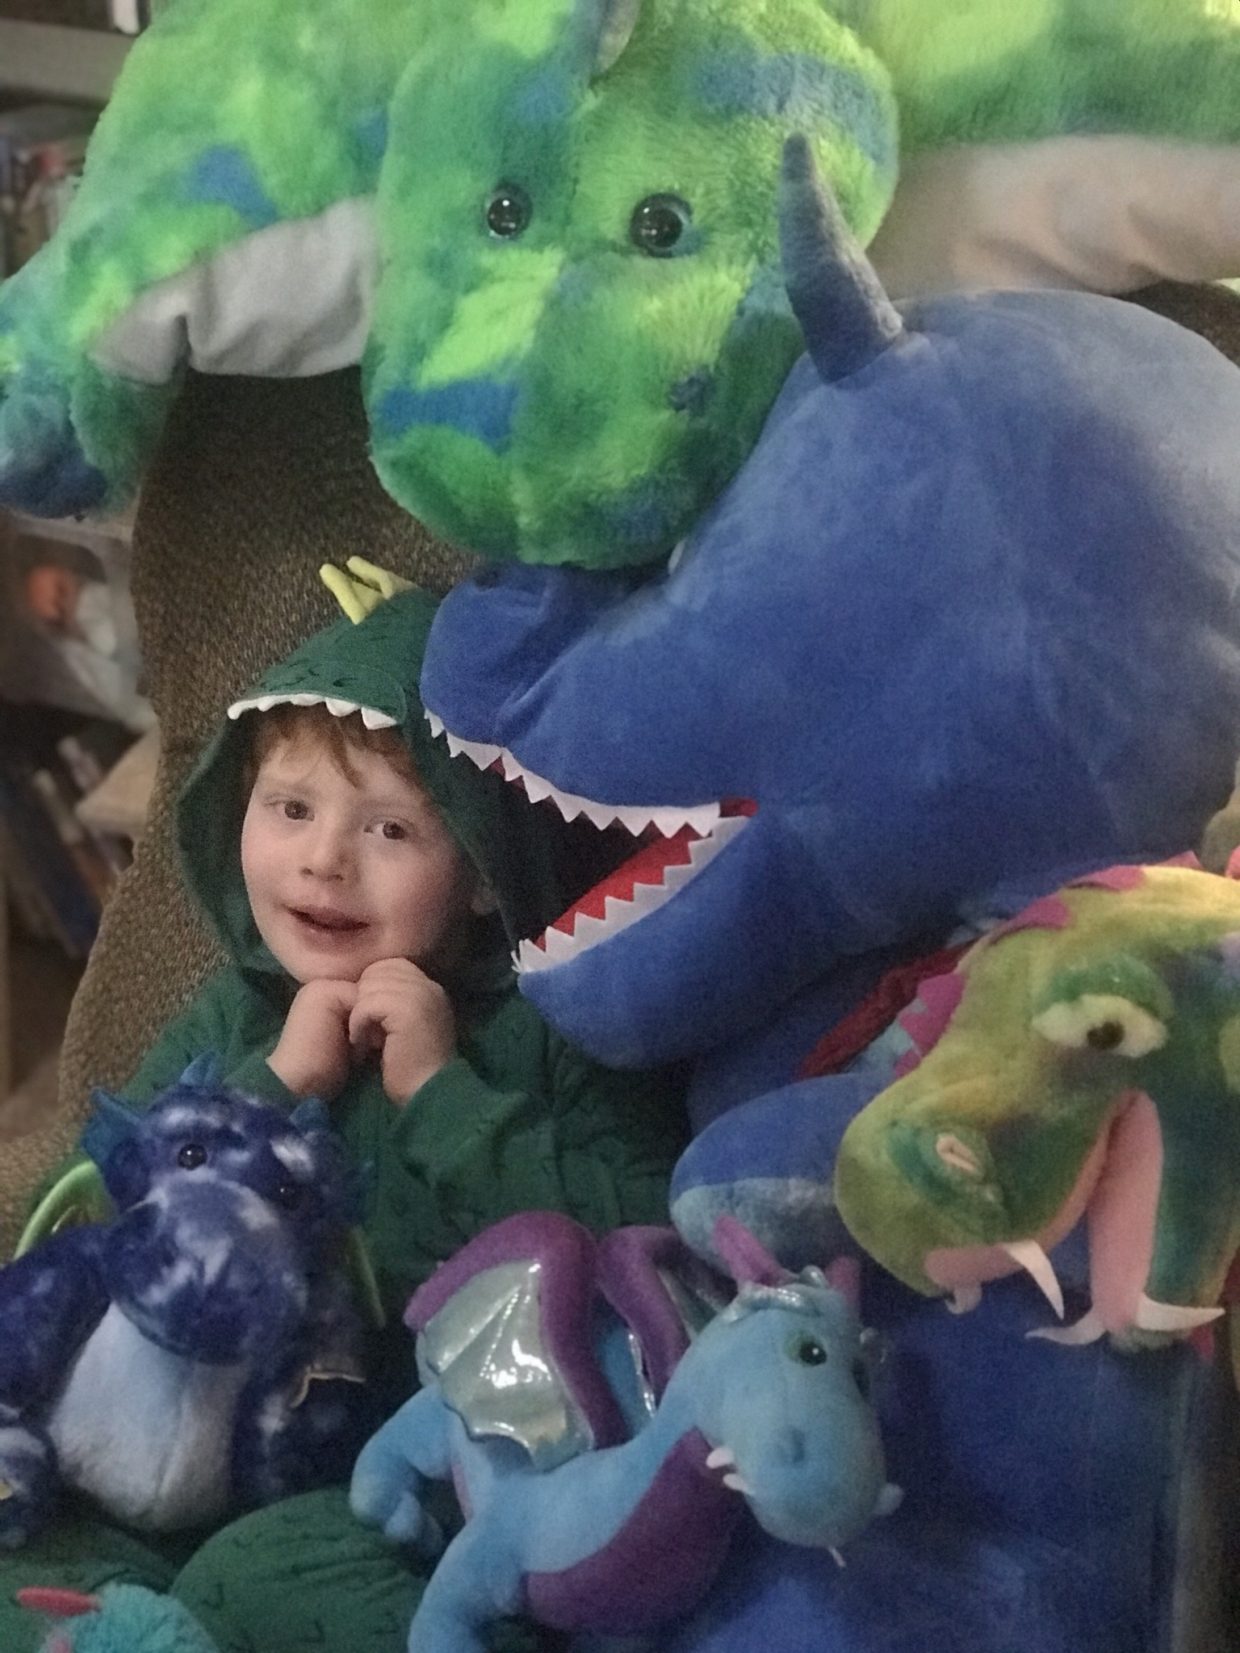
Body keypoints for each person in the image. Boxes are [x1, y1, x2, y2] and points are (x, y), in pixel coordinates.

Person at [0, 563, 686, 1653]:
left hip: (412, 1472)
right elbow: (88, 1210)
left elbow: (657, 1237)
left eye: (391, 831)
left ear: (481, 872)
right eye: (290, 808)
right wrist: (274, 1087)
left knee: (253, 1579)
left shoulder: (552, 1024)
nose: (323, 859)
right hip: (181, 1438)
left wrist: (444, 1096)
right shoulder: (236, 1012)